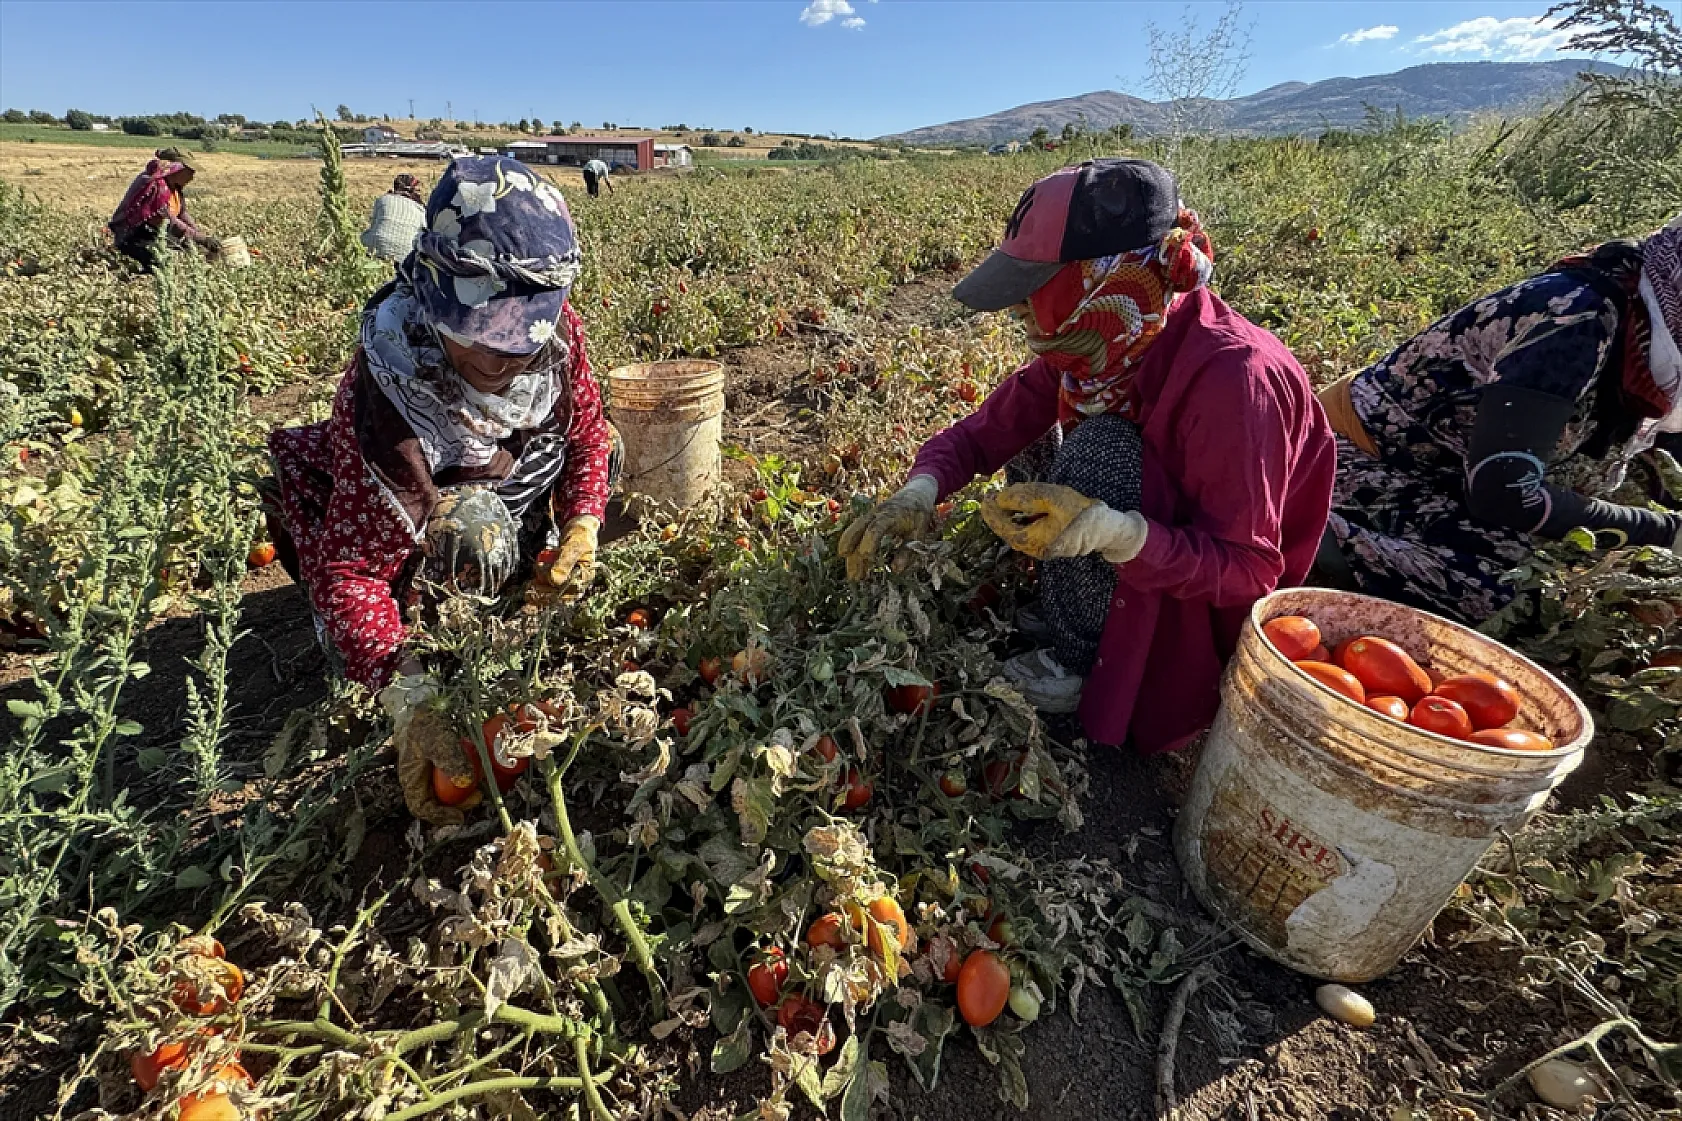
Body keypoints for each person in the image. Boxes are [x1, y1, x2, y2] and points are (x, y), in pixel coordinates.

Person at [839, 159, 1337, 755]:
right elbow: (987, 431)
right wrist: (918, 491)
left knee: (1099, 450)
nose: (1017, 311)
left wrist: (1117, 534)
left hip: (1199, 613)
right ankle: (1072, 601)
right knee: (1038, 443)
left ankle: (1083, 655)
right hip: (1156, 530)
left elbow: (1251, 573)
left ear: (1105, 280)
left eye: (1033, 291)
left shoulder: (1234, 379)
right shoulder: (1104, 342)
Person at [264, 156, 616, 824]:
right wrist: (411, 697)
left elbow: (589, 437)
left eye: (519, 339)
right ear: (432, 297)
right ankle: (437, 628)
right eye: (480, 335)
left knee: (606, 456)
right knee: (471, 530)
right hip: (415, 532)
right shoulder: (386, 388)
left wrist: (582, 527)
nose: (500, 359)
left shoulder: (557, 335)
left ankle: (506, 581)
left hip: (496, 482)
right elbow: (350, 570)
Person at [1316, 214, 1682, 623]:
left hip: (1436, 474)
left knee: (1523, 565)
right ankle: (1287, 527)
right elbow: (1504, 492)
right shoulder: (1577, 320)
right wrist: (1664, 532)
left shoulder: (1645, 332)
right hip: (1348, 454)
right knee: (1499, 589)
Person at [107, 154, 219, 269]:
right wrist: (201, 239)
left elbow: (182, 213)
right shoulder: (158, 188)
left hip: (156, 234)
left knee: (190, 249)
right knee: (161, 263)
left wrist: (198, 234)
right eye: (190, 172)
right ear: (177, 170)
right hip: (136, 237)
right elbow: (170, 221)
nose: (192, 178)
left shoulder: (174, 188)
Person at [360, 173, 428, 262]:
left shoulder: (383, 199)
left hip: (374, 249)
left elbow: (373, 226)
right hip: (405, 256)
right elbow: (424, 233)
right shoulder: (421, 209)